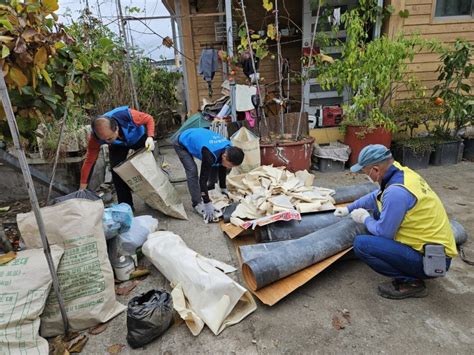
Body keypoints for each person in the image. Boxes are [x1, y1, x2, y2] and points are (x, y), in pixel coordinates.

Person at [334, 144, 457, 299]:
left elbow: (384, 233)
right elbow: (376, 196)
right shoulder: (401, 173)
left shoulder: (396, 192)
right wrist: (349, 208)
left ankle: (411, 283)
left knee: (362, 245)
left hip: (432, 261)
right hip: (431, 250)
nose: (366, 176)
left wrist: (364, 218)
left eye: (365, 172)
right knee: (379, 212)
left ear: (376, 170)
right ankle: (409, 269)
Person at [80, 106, 155, 210]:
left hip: (138, 137)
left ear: (116, 129)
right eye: (104, 140)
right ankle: (126, 206)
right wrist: (82, 187)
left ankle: (154, 198)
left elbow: (149, 118)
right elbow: (89, 161)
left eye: (109, 138)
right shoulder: (96, 138)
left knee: (149, 167)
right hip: (118, 145)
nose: (106, 142)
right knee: (116, 172)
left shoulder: (127, 115)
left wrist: (150, 137)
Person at [173, 128, 244, 222]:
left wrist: (223, 188)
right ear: (224, 156)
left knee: (217, 164)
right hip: (181, 143)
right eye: (230, 165)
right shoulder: (210, 154)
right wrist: (207, 203)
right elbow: (202, 180)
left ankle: (210, 189)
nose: (230, 167)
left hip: (199, 137)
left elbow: (222, 167)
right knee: (192, 171)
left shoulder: (229, 147)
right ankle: (197, 203)